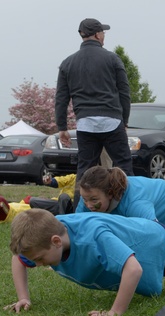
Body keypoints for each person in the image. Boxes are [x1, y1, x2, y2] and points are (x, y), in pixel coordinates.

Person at [5, 209, 165, 316]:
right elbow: (19, 258)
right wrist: (23, 297)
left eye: (39, 259)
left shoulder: (95, 237)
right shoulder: (48, 234)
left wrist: (114, 313)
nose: (36, 264)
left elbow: (134, 269)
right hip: (133, 242)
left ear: (56, 241)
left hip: (153, 241)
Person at [54, 18, 134, 199]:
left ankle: (80, 210)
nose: (104, 35)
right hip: (112, 121)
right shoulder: (113, 59)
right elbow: (124, 92)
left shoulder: (68, 63)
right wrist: (125, 120)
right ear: (97, 34)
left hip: (85, 124)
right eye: (103, 32)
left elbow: (61, 98)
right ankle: (130, 206)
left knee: (85, 170)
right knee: (123, 166)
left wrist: (62, 128)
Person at [75, 165, 165, 247]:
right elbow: (75, 228)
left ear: (110, 194)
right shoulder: (88, 195)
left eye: (93, 200)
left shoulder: (136, 204)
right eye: (84, 199)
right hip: (148, 207)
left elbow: (156, 233)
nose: (88, 205)